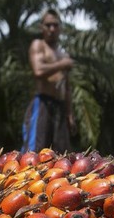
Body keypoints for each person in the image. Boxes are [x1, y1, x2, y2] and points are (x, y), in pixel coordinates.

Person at [22, 9, 75, 153]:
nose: (52, 29)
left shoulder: (63, 54)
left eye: (55, 25)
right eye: (48, 25)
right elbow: (38, 71)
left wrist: (69, 113)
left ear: (60, 28)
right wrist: (62, 65)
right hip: (42, 104)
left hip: (60, 107)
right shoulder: (39, 45)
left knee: (62, 154)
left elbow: (67, 87)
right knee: (35, 152)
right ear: (41, 27)